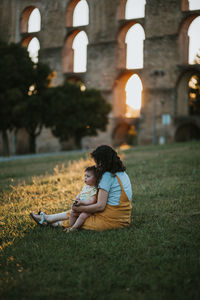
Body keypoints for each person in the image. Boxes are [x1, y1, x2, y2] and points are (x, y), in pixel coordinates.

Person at [30, 145, 132, 231]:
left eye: (97, 162)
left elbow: (100, 206)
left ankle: (49, 222)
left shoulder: (107, 176)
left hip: (111, 219)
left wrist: (80, 208)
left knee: (79, 218)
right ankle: (46, 218)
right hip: (122, 216)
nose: (96, 166)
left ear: (102, 162)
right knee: (77, 213)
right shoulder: (121, 173)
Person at [30, 166, 98, 230]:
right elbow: (81, 193)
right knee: (72, 213)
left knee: (83, 216)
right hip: (80, 206)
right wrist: (77, 198)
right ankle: (71, 225)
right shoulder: (86, 186)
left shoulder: (94, 189)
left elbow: (92, 200)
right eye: (85, 176)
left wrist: (82, 202)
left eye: (88, 176)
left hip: (87, 209)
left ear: (95, 179)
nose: (85, 178)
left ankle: (74, 228)